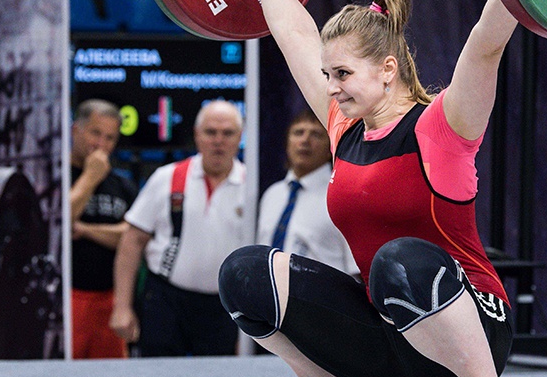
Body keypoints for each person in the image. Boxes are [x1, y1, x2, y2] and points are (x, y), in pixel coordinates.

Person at [218, 0, 529, 377]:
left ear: (388, 70)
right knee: (245, 274)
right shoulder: (345, 129)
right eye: (327, 74)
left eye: (342, 73)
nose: (330, 86)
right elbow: (294, 35)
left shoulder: (441, 128)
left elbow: (486, 44)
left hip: (472, 332)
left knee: (396, 262)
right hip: (391, 338)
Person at [110, 100, 251, 357]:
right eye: (211, 132)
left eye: (227, 133)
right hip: (165, 301)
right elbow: (132, 241)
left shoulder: (251, 185)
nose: (218, 141)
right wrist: (122, 307)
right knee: (157, 376)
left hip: (225, 309)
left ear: (240, 137)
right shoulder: (167, 178)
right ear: (197, 135)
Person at [70, 99, 138, 359]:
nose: (101, 144)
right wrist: (90, 177)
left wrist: (86, 230)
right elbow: (59, 226)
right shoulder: (55, 177)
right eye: (95, 133)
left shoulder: (123, 185)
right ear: (76, 130)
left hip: (110, 299)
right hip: (68, 297)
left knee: (110, 375)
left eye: (110, 138)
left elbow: (132, 237)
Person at [257, 108, 359, 277]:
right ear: (287, 143)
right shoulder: (272, 195)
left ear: (330, 147)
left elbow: (357, 269)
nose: (305, 140)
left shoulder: (342, 196)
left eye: (316, 134)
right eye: (298, 133)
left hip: (324, 292)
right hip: (268, 291)